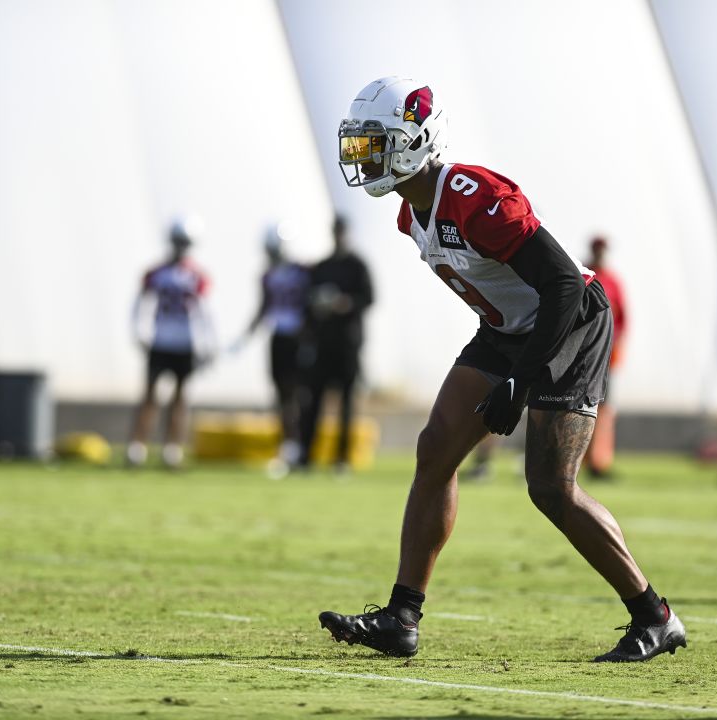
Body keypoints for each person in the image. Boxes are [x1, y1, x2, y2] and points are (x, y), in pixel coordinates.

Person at [316, 77, 685, 662]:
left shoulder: (471, 194)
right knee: (435, 450)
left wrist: (523, 379)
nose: (364, 158)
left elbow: (563, 283)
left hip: (568, 323)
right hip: (509, 330)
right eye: (359, 146)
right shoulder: (410, 214)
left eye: (374, 144)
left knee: (550, 489)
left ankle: (655, 615)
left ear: (414, 140)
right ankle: (402, 617)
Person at [128, 219, 214, 470]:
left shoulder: (196, 275)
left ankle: (172, 448)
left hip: (185, 343)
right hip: (161, 340)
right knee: (150, 396)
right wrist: (139, 332)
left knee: (180, 398)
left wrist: (206, 344)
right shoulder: (156, 272)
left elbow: (205, 312)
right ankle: (138, 446)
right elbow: (139, 304)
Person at [296, 214, 373, 472]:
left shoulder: (357, 265)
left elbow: (369, 298)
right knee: (314, 400)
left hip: (348, 344)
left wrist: (344, 303)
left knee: (347, 403)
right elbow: (307, 302)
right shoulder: (323, 266)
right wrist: (318, 307)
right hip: (323, 343)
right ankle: (306, 455)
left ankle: (341, 459)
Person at [237, 224, 310, 476]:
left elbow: (306, 304)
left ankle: (298, 447)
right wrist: (245, 336)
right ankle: (289, 446)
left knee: (297, 394)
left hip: (296, 338)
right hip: (278, 337)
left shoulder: (302, 272)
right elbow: (263, 308)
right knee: (281, 395)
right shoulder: (268, 275)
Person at [584, 236, 628, 479]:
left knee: (604, 408)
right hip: (583, 354)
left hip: (606, 356)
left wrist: (615, 346)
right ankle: (580, 459)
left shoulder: (613, 281)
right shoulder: (584, 274)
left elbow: (622, 318)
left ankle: (599, 460)